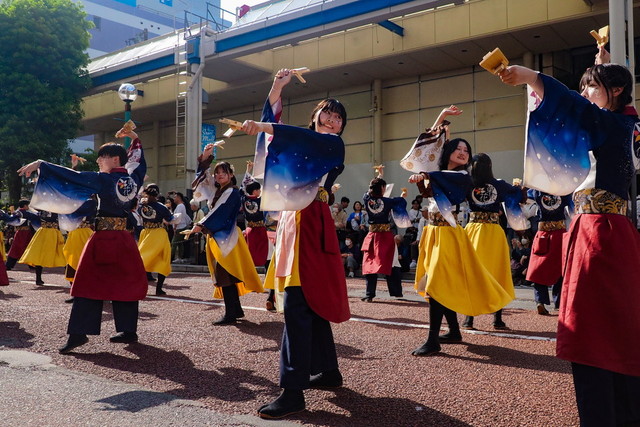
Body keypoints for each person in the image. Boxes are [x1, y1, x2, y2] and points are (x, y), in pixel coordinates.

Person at [498, 60, 640, 425]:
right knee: (619, 326)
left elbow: (575, 107)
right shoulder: (626, 125)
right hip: (608, 231)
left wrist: (533, 78)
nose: (584, 93)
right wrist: (602, 66)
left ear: (617, 91)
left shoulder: (614, 124)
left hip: (599, 234)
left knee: (589, 330)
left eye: (591, 86)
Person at [243, 68, 350, 420]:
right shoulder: (303, 142)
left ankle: (292, 391)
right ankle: (329, 370)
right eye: (327, 113)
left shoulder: (331, 145)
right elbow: (278, 138)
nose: (332, 120)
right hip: (295, 220)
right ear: (315, 115)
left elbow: (285, 136)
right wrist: (276, 87)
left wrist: (264, 127)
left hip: (311, 221)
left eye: (338, 118)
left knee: (298, 304)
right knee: (309, 302)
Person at [18, 129, 148, 353]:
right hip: (125, 241)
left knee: (87, 283)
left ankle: (79, 333)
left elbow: (73, 176)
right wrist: (135, 138)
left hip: (103, 239)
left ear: (114, 159)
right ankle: (128, 330)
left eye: (102, 157)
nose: (98, 161)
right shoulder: (133, 179)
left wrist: (42, 164)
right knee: (125, 282)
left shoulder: (103, 179)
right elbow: (139, 161)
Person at [407, 137, 512, 356]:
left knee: (435, 284)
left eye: (466, 150)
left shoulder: (463, 176)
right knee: (438, 283)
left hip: (448, 233)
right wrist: (421, 177)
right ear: (448, 151)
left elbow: (445, 178)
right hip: (433, 232)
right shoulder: (439, 171)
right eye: (458, 149)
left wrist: (426, 175)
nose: (463, 152)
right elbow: (428, 181)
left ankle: (432, 340)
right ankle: (454, 331)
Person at [189, 151, 263, 325]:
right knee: (228, 274)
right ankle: (236, 310)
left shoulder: (232, 192)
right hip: (220, 236)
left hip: (228, 237)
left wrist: (201, 224)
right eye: (217, 173)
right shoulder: (218, 190)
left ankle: (230, 314)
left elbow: (220, 211)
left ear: (231, 175)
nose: (219, 175)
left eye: (224, 172)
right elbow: (202, 180)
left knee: (225, 274)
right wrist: (206, 159)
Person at [460, 153, 525, 332]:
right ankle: (497, 319)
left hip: (473, 230)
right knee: (498, 272)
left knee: (472, 272)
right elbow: (519, 197)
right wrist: (520, 188)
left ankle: (469, 318)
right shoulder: (499, 184)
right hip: (494, 232)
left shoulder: (467, 183)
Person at [360, 166, 410, 302]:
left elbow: (370, 189)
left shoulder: (366, 199)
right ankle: (396, 292)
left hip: (372, 236)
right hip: (385, 236)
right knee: (392, 263)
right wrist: (402, 196)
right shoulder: (388, 201)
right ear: (382, 188)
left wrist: (379, 175)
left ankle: (369, 294)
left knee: (369, 264)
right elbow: (399, 202)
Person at [525, 190, 572, 315]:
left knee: (538, 269)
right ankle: (559, 302)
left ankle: (540, 300)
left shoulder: (537, 191)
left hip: (542, 233)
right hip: (560, 233)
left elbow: (524, 200)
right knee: (560, 268)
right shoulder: (564, 190)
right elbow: (573, 210)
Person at [138, 184, 178, 296]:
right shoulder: (161, 207)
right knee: (163, 260)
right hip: (159, 234)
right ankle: (159, 289)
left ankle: (139, 287)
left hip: (146, 232)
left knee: (143, 258)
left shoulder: (141, 206)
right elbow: (170, 219)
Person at [17, 209, 66, 285]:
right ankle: (38, 279)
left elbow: (33, 216)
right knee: (60, 254)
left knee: (42, 255)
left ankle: (38, 279)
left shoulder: (45, 210)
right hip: (49, 233)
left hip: (45, 233)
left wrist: (22, 213)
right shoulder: (55, 210)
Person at [4, 200, 35, 271]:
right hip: (22, 233)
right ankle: (9, 265)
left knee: (26, 248)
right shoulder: (21, 212)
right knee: (17, 248)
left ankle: (31, 264)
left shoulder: (19, 212)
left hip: (26, 232)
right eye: (28, 205)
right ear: (25, 205)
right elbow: (31, 216)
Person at [171, 192, 191, 263]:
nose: (174, 199)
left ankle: (170, 257)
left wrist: (175, 227)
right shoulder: (182, 206)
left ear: (179, 198)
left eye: (175, 197)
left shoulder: (180, 206)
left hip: (179, 227)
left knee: (174, 243)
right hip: (182, 226)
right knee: (180, 243)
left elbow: (177, 217)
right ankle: (180, 257)